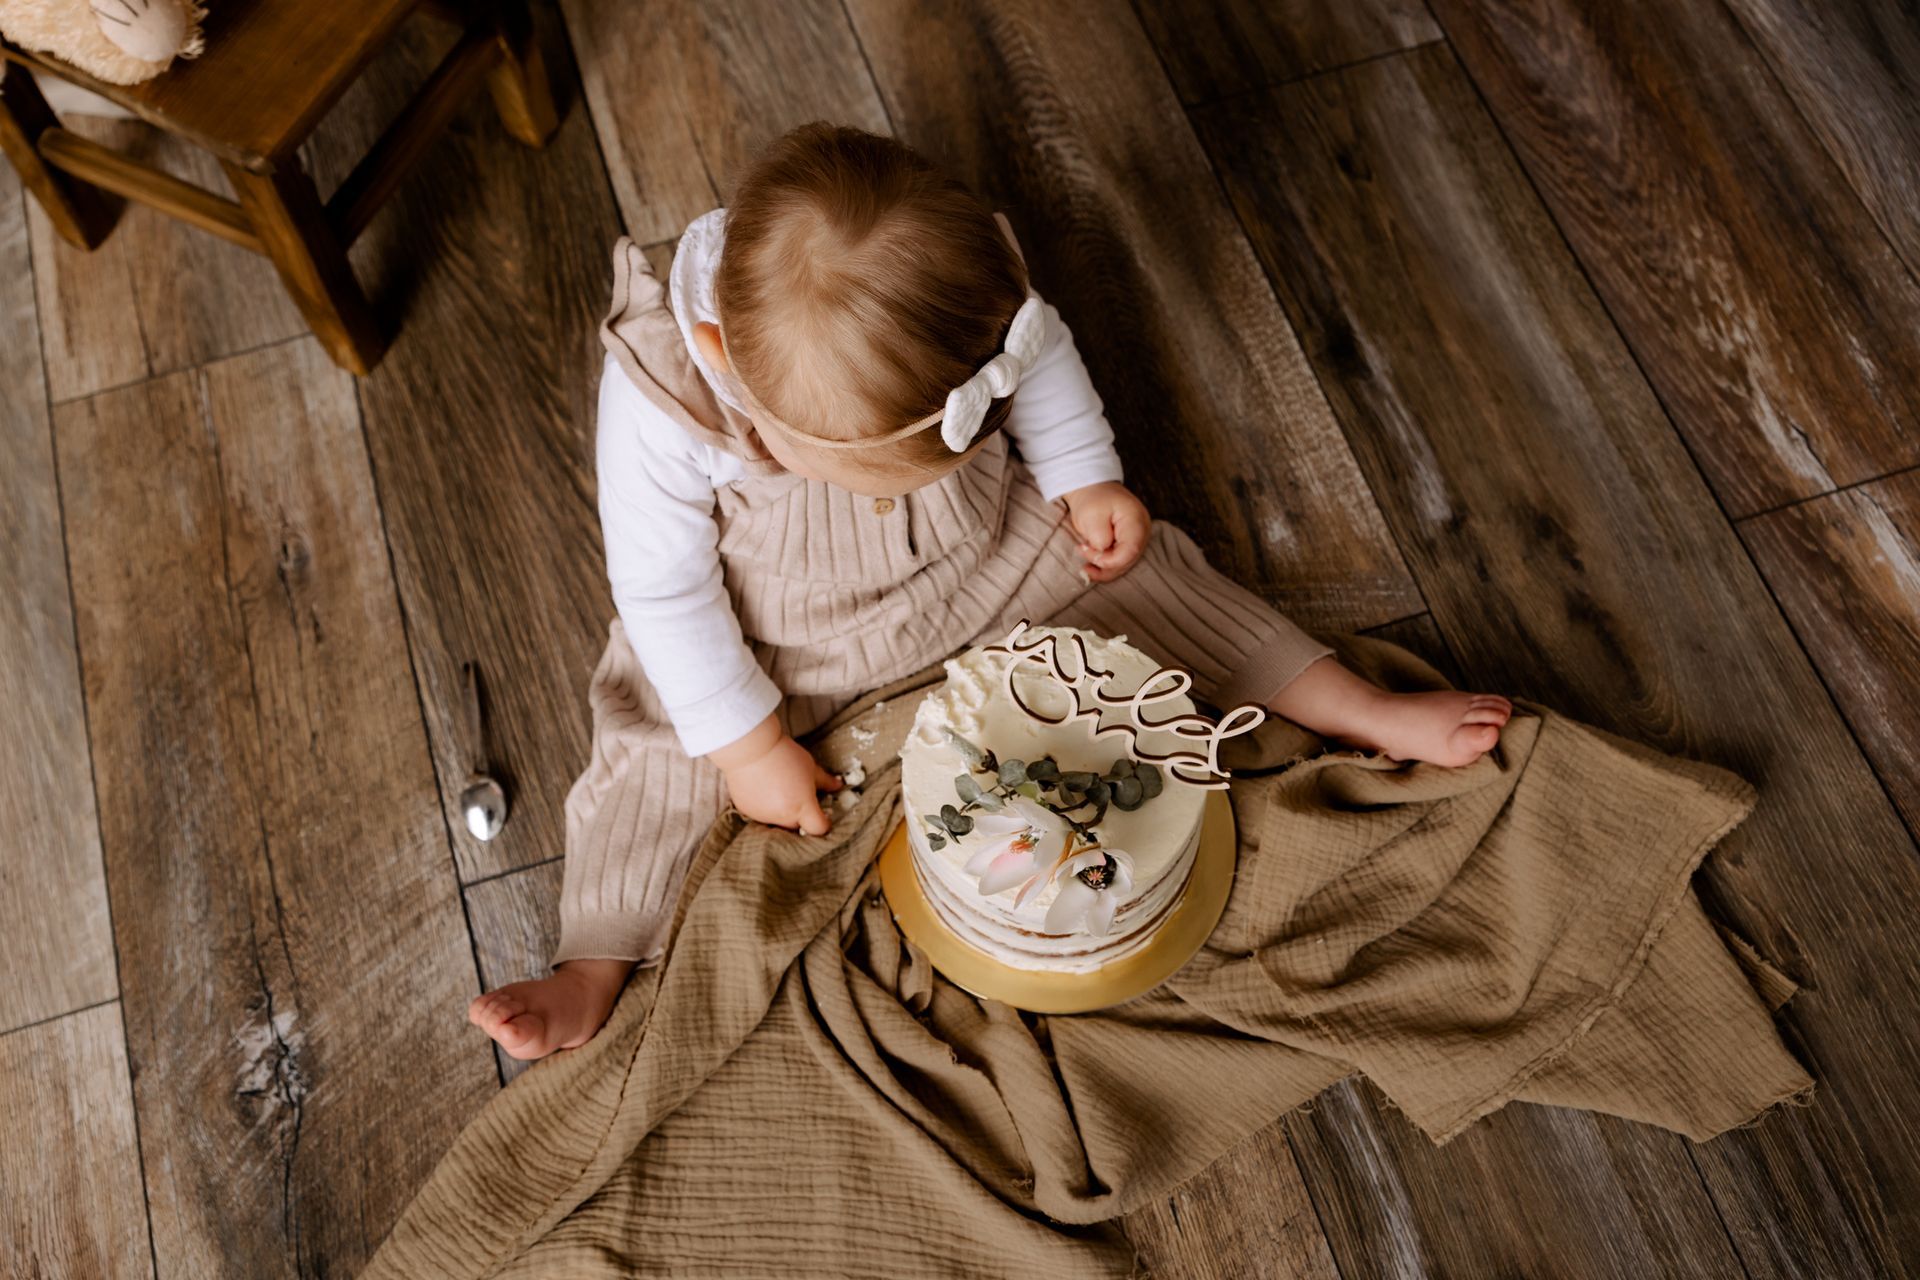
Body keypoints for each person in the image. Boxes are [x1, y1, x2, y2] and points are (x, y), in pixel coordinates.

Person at [469, 123, 1512, 1060]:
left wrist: (1081, 471)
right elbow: (662, 588)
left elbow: (1043, 354)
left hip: (984, 543)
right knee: (656, 750)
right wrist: (748, 744)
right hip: (780, 628)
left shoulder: (966, 290)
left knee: (1151, 587)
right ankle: (594, 963)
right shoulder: (666, 388)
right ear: (717, 357)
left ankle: (1348, 701)